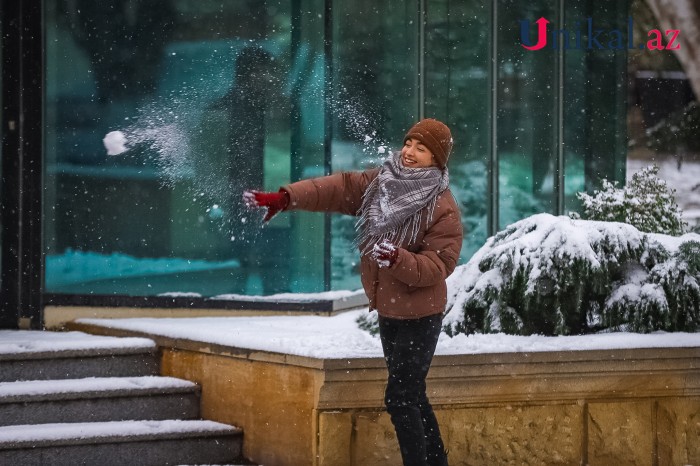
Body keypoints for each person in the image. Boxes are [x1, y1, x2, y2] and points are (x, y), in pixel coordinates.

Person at [244, 118, 463, 466]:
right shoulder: (381, 181)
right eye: (409, 143)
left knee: (400, 397)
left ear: (437, 159)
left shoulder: (442, 206)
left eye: (422, 148)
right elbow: (337, 188)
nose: (410, 152)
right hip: (390, 311)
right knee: (413, 395)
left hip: (421, 316)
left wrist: (398, 259)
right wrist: (287, 197)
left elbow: (439, 267)